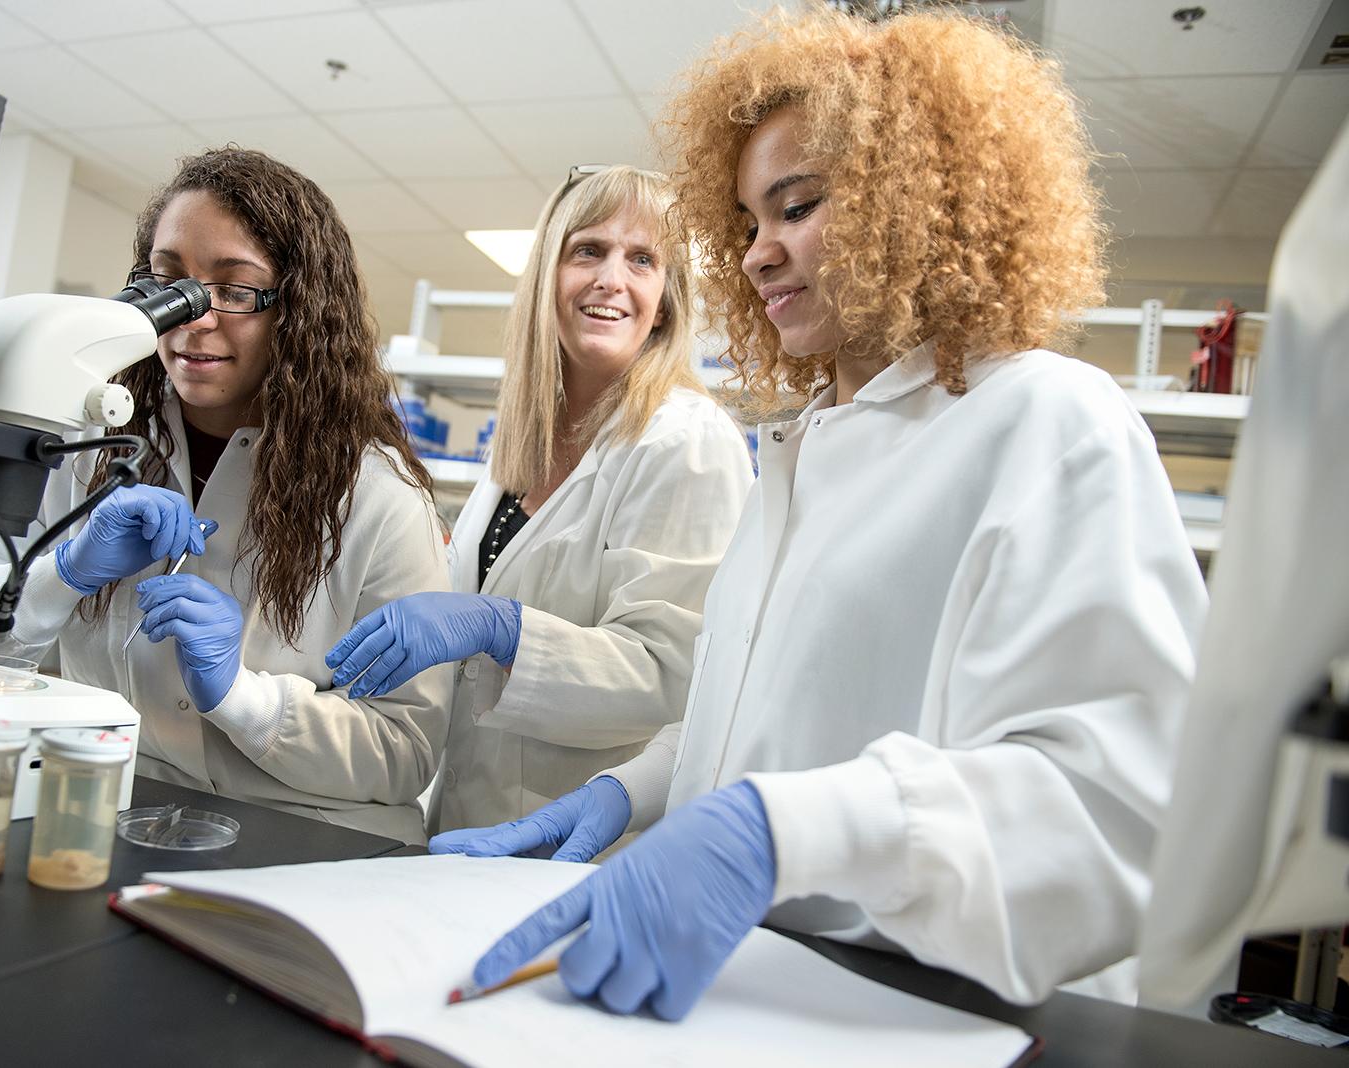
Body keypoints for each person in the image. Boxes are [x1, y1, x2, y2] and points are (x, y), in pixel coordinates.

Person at [433, 9, 1208, 1019]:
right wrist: (636, 790)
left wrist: (772, 832)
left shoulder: (1046, 420)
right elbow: (761, 723)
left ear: (917, 202)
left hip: (935, 1017)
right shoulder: (799, 453)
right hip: (761, 1003)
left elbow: (1115, 813)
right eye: (749, 222)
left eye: (796, 207)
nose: (757, 255)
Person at [0, 148, 452, 844]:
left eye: (235, 290)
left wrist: (244, 700)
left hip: (301, 839)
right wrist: (53, 580)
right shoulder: (72, 446)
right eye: (168, 282)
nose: (191, 317)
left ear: (299, 311)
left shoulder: (378, 498)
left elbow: (405, 751)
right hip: (102, 808)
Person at [326, 165, 753, 835]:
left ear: (666, 299)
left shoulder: (687, 442)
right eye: (589, 250)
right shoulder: (524, 440)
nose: (612, 278)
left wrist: (505, 630)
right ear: (549, 275)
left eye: (643, 259)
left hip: (586, 847)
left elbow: (674, 680)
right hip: (464, 822)